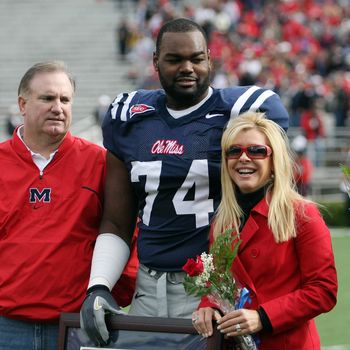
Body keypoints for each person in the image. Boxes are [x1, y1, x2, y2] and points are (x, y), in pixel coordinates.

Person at [80, 17, 289, 346]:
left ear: (210, 57)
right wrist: (99, 284)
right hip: (148, 289)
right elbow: (118, 220)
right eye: (174, 60)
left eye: (196, 58)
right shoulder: (129, 117)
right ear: (156, 62)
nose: (187, 68)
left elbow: (269, 200)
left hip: (214, 290)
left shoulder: (240, 112)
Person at [0, 61, 136, 350]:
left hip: (76, 324)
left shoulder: (100, 163)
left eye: (65, 99)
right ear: (22, 104)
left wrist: (111, 292)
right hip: (6, 325)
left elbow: (126, 230)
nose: (57, 107)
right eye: (47, 98)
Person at [191, 112, 338, 350]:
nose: (244, 158)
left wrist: (263, 317)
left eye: (257, 151)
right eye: (234, 151)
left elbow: (323, 291)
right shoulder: (222, 221)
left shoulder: (302, 214)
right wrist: (207, 306)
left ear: (273, 160)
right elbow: (218, 283)